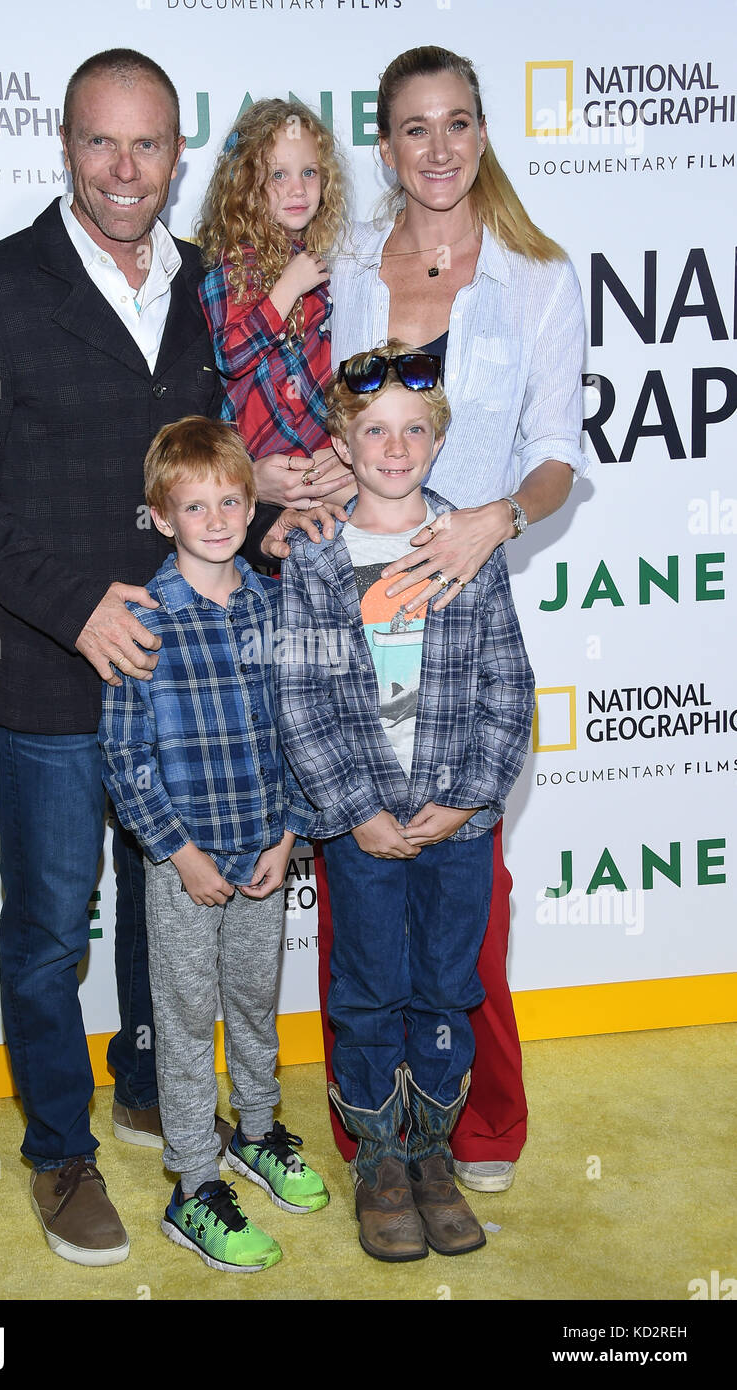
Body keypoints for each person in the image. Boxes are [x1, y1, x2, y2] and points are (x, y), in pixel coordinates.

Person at [0, 48, 300, 1266]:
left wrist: (292, 491)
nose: (125, 170)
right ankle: (57, 1153)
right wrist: (77, 607)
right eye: (101, 143)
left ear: (176, 154)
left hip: (191, 684)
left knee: (163, 915)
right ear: (66, 146)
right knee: (47, 929)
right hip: (50, 671)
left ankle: (151, 1086)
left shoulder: (209, 288)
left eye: (148, 146)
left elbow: (229, 464)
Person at [322, 45, 590, 1189]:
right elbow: (310, 413)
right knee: (358, 898)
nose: (437, 148)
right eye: (413, 128)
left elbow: (555, 460)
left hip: (465, 613)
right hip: (348, 604)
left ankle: (474, 1130)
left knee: (467, 908)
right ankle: (370, 1142)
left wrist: (493, 521)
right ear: (383, 145)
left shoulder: (536, 274)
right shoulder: (338, 265)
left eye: (457, 123)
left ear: (483, 132)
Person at [274, 342, 534, 1261]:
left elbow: (509, 685)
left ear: (437, 440)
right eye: (375, 430)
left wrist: (470, 802)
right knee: (370, 990)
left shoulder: (465, 545)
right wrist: (354, 810)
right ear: (343, 442)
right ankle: (379, 1158)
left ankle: (433, 1154)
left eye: (413, 430)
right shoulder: (312, 561)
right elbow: (299, 699)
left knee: (446, 989)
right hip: (364, 825)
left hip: (457, 826)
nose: (395, 447)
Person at [100, 416, 328, 1274]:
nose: (219, 518)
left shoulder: (276, 607)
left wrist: (291, 830)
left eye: (232, 499)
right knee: (189, 1024)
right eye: (195, 506)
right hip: (184, 867)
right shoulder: (145, 619)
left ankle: (259, 1135)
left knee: (257, 1008)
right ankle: (194, 1184)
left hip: (265, 856)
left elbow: (298, 730)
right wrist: (178, 854)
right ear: (163, 516)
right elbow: (123, 756)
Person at [196, 98, 354, 511]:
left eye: (309, 172)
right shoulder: (233, 267)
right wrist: (287, 287)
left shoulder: (315, 264)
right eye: (278, 175)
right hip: (265, 467)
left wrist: (341, 446)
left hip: (321, 456)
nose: (298, 189)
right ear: (248, 185)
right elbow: (230, 354)